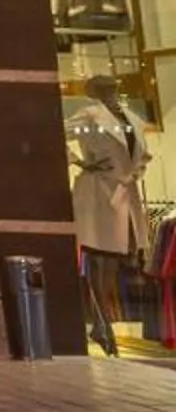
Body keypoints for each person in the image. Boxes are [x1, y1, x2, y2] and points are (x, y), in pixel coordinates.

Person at [68, 72, 149, 357]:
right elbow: (55, 131)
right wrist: (79, 161)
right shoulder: (89, 115)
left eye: (111, 87)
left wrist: (137, 171)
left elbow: (143, 153)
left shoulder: (132, 118)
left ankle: (102, 322)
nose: (110, 91)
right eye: (104, 88)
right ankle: (102, 322)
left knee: (113, 258)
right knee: (102, 257)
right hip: (99, 192)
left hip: (124, 192)